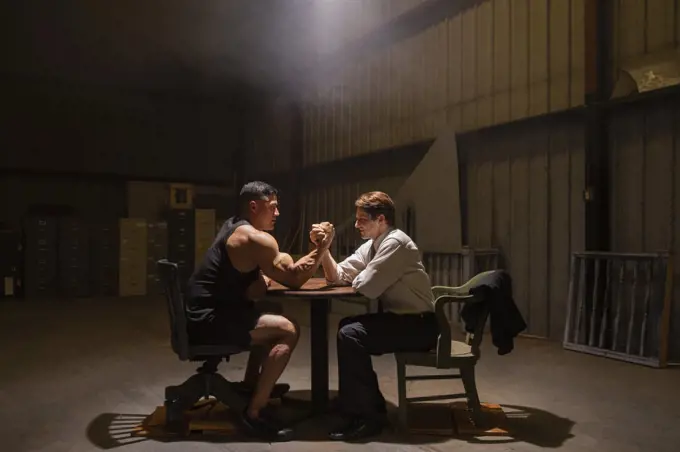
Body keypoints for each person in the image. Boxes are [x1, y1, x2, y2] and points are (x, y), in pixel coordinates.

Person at [185, 181, 333, 441]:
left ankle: (251, 386)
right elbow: (294, 278)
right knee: (288, 330)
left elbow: (264, 278)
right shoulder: (254, 238)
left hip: (202, 315)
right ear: (254, 206)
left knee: (270, 308)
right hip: (208, 323)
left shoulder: (235, 226)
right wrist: (322, 247)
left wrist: (268, 275)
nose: (277, 213)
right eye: (273, 207)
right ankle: (254, 411)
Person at [310, 191, 437, 441]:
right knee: (348, 327)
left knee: (351, 334)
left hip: (420, 326)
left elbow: (366, 287)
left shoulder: (395, 243)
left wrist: (363, 275)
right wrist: (323, 248)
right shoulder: (373, 245)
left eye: (361, 220)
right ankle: (353, 402)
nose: (356, 224)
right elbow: (337, 276)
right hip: (403, 320)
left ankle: (371, 416)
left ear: (380, 219)